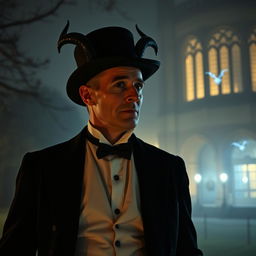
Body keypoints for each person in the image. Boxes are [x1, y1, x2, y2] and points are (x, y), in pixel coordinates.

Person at [0, 21, 203, 256]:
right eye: (120, 85)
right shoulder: (42, 168)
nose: (133, 96)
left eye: (138, 86)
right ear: (87, 95)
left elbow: (187, 250)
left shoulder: (170, 168)